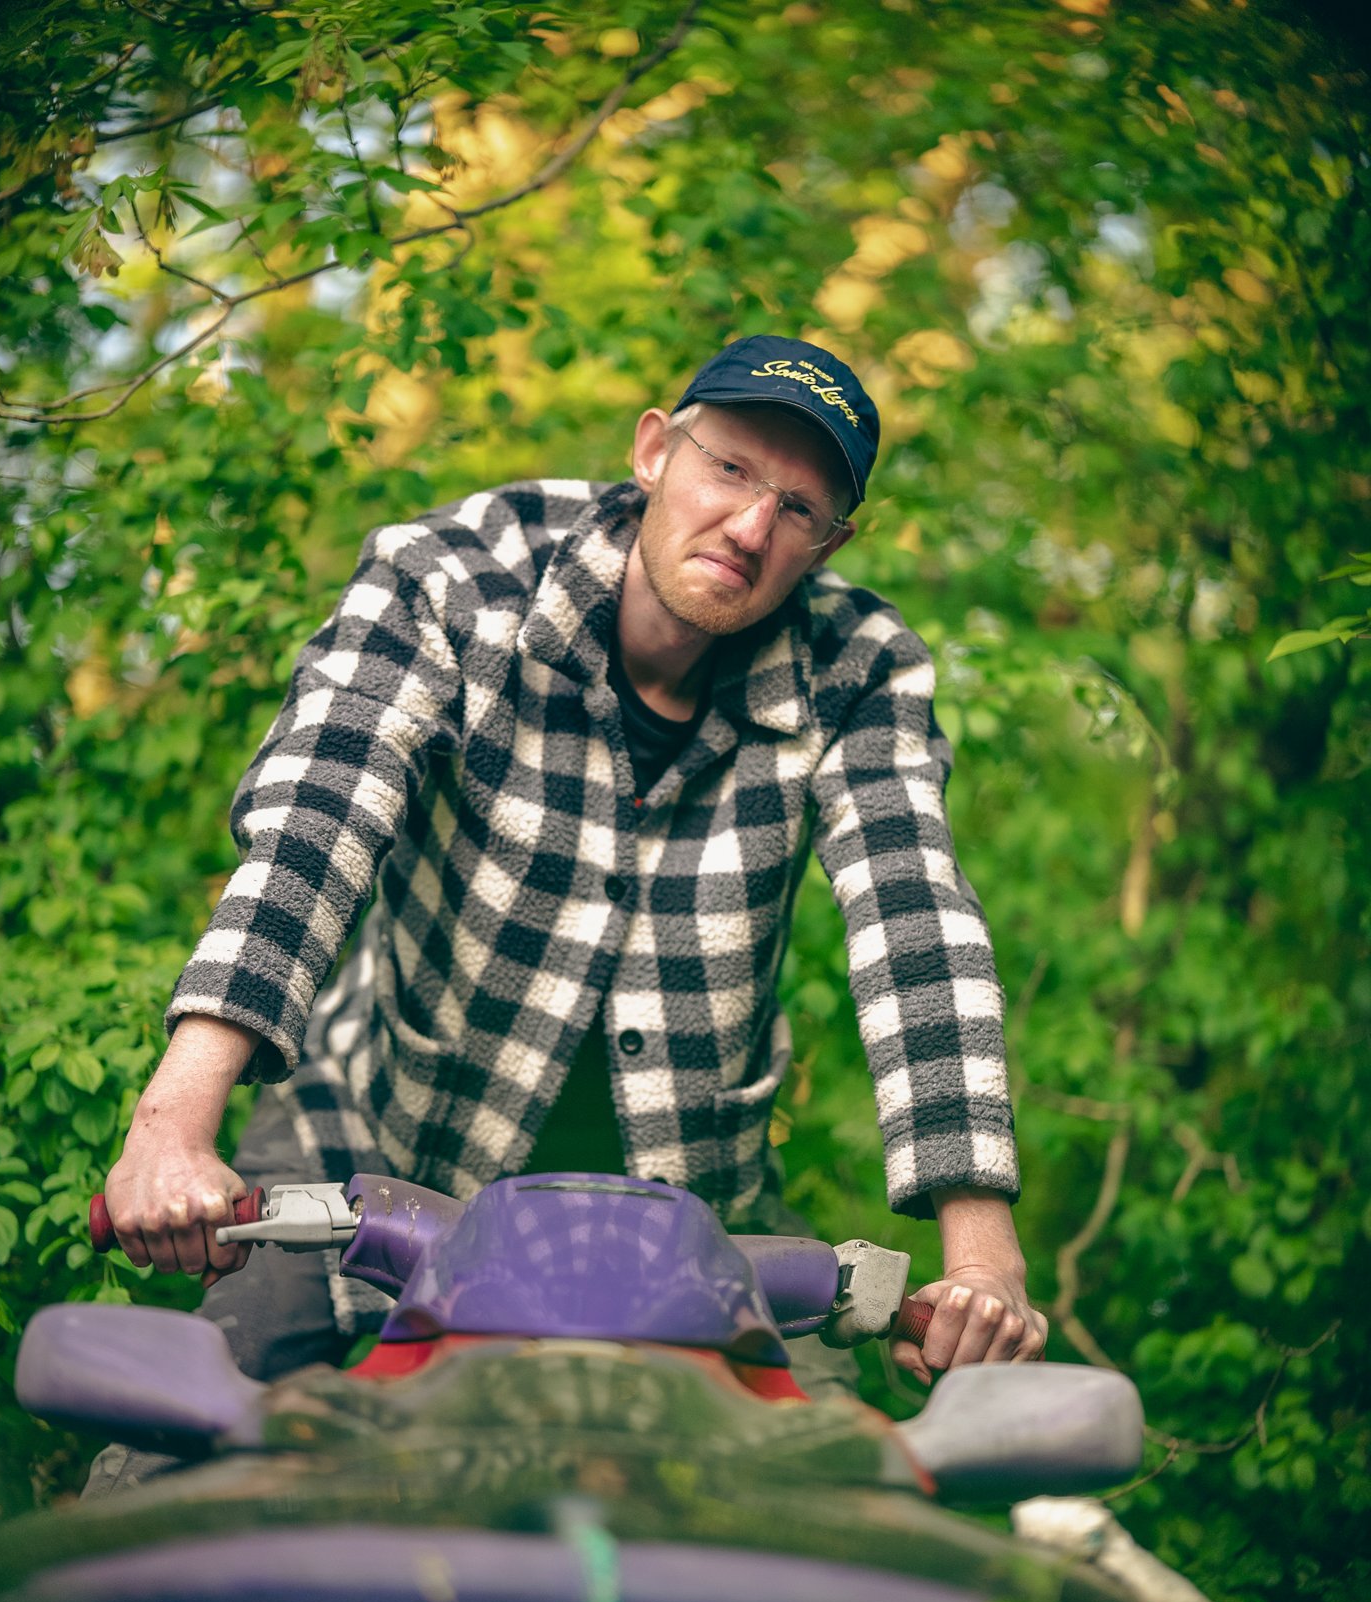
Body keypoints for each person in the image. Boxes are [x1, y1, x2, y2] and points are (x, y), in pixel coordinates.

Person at [91, 336, 1044, 1491]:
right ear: (654, 450)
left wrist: (981, 1259)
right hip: (383, 1144)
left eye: (797, 507)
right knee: (176, 1462)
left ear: (832, 543)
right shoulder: (452, 575)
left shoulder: (862, 667)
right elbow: (319, 818)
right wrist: (174, 1124)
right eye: (730, 470)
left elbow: (916, 923)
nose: (751, 526)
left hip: (695, 1206)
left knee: (848, 1503)